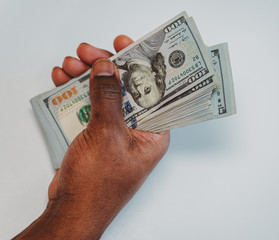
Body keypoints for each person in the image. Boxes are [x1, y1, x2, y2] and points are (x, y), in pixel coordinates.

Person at [12, 35, 170, 240]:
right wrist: (66, 207)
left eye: (139, 95)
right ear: (156, 74)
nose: (138, 90)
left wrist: (65, 205)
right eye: (146, 89)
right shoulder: (152, 49)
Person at [114, 30, 166, 109]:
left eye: (136, 94)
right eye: (147, 89)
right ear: (155, 76)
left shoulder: (114, 67)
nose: (138, 88)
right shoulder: (153, 43)